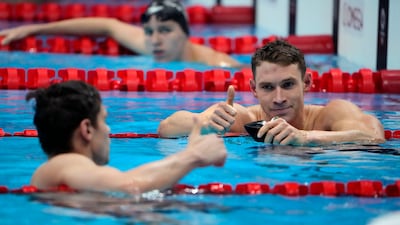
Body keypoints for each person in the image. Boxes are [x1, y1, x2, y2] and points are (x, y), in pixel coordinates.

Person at [157, 40, 385, 146]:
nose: (278, 98)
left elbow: (372, 136)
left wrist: (305, 137)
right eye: (267, 87)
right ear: (253, 89)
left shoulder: (330, 115)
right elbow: (166, 128)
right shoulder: (242, 117)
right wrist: (203, 123)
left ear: (306, 82)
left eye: (287, 85)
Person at [27, 80, 227, 194]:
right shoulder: (65, 163)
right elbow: (129, 185)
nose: (108, 130)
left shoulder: (64, 175)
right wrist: (192, 156)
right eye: (104, 120)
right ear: (87, 129)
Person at [0, 0, 242, 67]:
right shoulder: (150, 45)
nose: (155, 40)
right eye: (149, 31)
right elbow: (107, 25)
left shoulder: (217, 64)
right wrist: (35, 29)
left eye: (165, 31)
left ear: (186, 33)